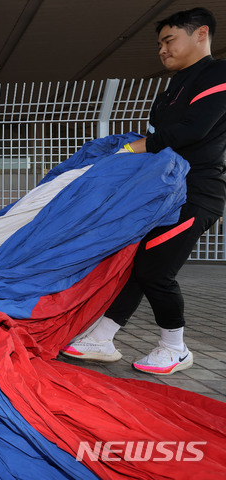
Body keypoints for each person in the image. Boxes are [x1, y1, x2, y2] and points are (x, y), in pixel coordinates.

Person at [62, 7, 226, 375]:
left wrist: (134, 148)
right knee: (138, 263)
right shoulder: (172, 89)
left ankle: (175, 347)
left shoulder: (219, 73)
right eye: (159, 44)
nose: (162, 50)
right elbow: (158, 140)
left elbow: (191, 132)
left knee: (155, 270)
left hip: (196, 194)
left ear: (200, 34)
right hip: (159, 194)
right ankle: (103, 337)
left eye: (169, 40)